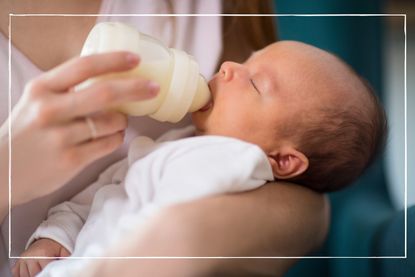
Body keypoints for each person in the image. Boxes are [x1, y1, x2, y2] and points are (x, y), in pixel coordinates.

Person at [0, 1, 329, 276]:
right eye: (246, 63)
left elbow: (307, 204)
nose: (229, 67)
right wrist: (53, 234)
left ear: (284, 160)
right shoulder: (158, 152)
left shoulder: (244, 163)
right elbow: (94, 201)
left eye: (255, 83)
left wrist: (180, 239)